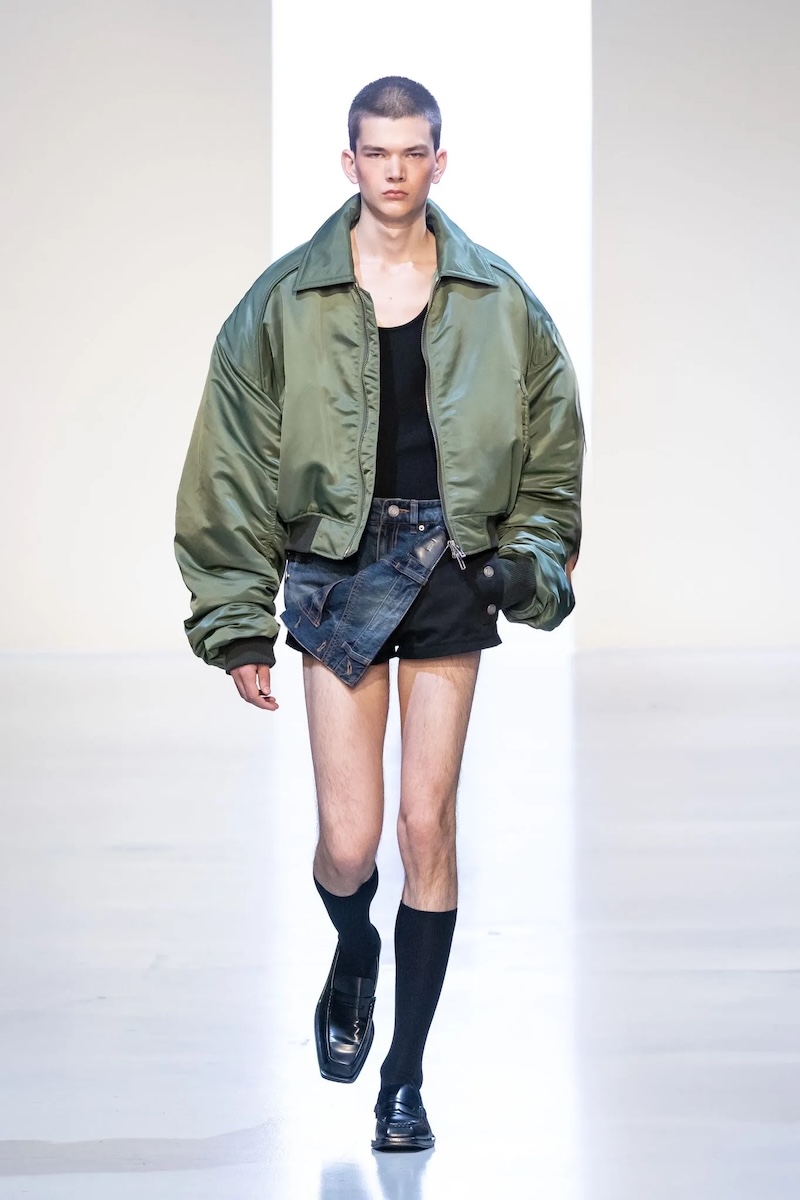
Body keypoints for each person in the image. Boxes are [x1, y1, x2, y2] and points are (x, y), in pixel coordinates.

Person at [174, 75, 584, 1152]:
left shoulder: (497, 300)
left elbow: (552, 452)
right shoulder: (282, 303)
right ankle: (354, 946)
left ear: (438, 162)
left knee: (425, 828)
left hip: (450, 564)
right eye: (376, 151)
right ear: (347, 161)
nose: (394, 170)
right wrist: (236, 620)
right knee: (350, 844)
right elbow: (229, 464)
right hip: (334, 566)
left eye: (412, 152)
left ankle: (403, 1081)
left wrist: (523, 566)